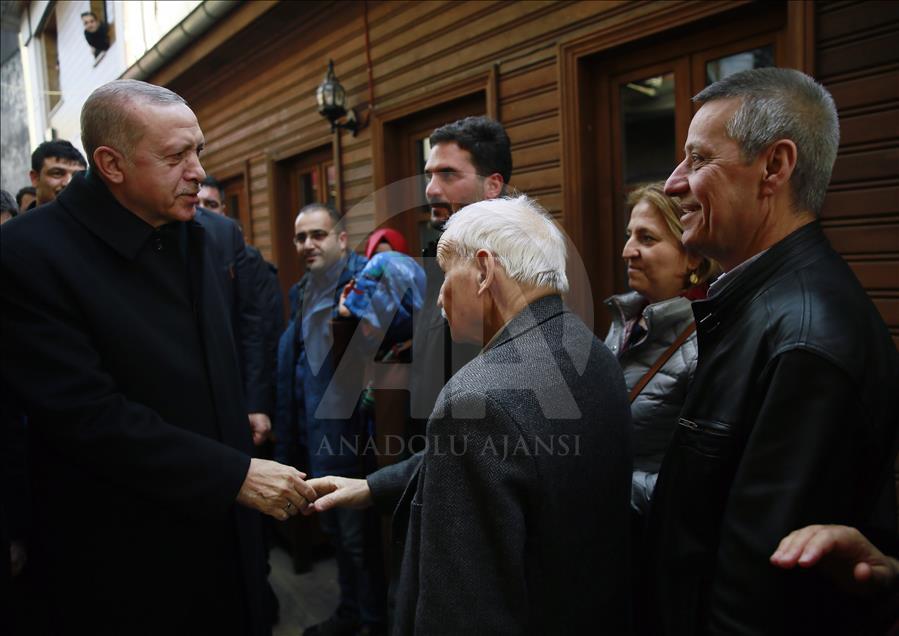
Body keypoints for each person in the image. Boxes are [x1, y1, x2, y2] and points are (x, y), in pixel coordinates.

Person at [0, 78, 316, 635]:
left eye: (199, 150)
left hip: (232, 538)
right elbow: (85, 415)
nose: (197, 170)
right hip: (124, 551)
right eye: (176, 156)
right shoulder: (28, 253)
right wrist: (232, 474)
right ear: (112, 164)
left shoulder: (213, 235)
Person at [646, 67, 899, 634]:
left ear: (774, 167)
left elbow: (757, 597)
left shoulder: (806, 340)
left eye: (698, 159)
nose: (672, 183)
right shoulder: (759, 304)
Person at [310, 196, 632, 633]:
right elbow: (507, 459)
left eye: (445, 275)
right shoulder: (592, 352)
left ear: (483, 271)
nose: (440, 296)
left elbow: (461, 609)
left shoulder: (477, 400)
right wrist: (372, 486)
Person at [273, 203, 386, 636]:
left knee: (360, 544)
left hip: (353, 440)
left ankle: (373, 624)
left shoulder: (366, 285)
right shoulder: (302, 291)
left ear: (341, 239)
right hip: (315, 436)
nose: (307, 245)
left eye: (318, 235)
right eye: (300, 237)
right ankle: (351, 614)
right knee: (340, 539)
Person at [605, 182, 718, 517]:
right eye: (629, 235)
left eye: (647, 238)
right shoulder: (624, 320)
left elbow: (695, 484)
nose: (627, 250)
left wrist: (598, 484)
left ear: (693, 256)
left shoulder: (707, 346)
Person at [196, 175, 273, 444]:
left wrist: (256, 402)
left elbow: (253, 325)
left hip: (228, 393)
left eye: (210, 203)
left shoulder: (226, 235)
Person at [28, 139, 86, 208]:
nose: (68, 182)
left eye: (76, 176)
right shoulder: (23, 219)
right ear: (35, 178)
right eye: (57, 173)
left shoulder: (98, 217)